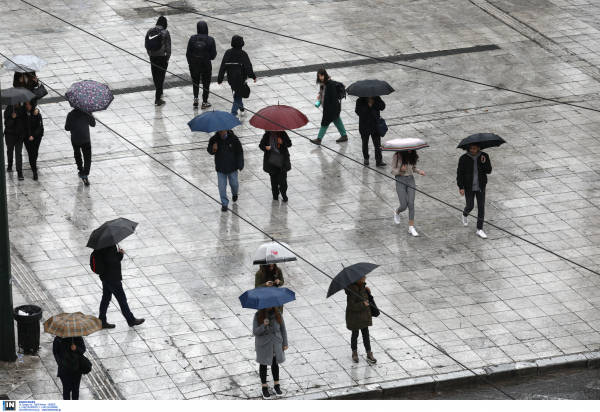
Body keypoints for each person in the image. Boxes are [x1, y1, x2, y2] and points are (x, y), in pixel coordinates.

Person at [97, 245, 145, 328]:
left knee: (105, 298)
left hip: (105, 276)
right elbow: (112, 262)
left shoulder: (102, 246)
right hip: (113, 278)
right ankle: (131, 320)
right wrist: (120, 254)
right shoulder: (110, 246)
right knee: (122, 299)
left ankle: (102, 320)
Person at [457, 143, 492, 239]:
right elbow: (460, 173)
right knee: (470, 205)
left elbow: (489, 171)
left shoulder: (484, 156)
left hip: (480, 187)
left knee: (481, 207)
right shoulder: (463, 158)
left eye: (474, 148)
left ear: (478, 148)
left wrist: (484, 163)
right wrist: (461, 187)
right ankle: (465, 213)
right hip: (469, 187)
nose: (472, 150)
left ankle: (479, 229)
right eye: (471, 148)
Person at [217, 35, 257, 117]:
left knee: (238, 92)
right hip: (240, 79)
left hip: (231, 79)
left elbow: (223, 66)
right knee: (238, 95)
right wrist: (253, 76)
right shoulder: (243, 54)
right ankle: (233, 113)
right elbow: (248, 67)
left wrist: (220, 79)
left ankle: (241, 108)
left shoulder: (228, 53)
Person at [253, 307, 288, 399]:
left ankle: (276, 385)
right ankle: (264, 387)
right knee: (263, 364)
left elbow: (283, 329)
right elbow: (255, 332)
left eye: (271, 305)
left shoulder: (278, 314)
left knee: (275, 363)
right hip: (264, 344)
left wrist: (285, 343)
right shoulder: (258, 315)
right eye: (267, 306)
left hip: (275, 343)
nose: (269, 307)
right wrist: (264, 325)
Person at [206, 129, 244, 211]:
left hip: (232, 167)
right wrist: (213, 148)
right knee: (221, 187)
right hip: (220, 168)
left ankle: (234, 193)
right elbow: (209, 150)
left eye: (222, 130)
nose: (220, 131)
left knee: (234, 184)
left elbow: (239, 152)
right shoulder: (214, 139)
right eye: (219, 130)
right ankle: (224, 203)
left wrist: (240, 165)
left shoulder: (234, 139)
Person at [392, 150, 426, 237]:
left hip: (411, 180)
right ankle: (397, 212)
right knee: (404, 205)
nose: (410, 151)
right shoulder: (397, 155)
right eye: (408, 149)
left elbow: (413, 168)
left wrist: (419, 171)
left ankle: (411, 227)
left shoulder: (412, 155)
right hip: (400, 180)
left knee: (411, 204)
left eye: (411, 149)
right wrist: (400, 170)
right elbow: (392, 171)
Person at [310, 68, 347, 145]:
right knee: (337, 121)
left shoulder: (329, 84)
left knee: (325, 123)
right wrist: (319, 95)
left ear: (325, 75)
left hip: (331, 108)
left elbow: (333, 97)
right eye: (319, 76)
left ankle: (319, 139)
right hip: (330, 107)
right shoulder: (323, 84)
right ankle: (344, 136)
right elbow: (324, 93)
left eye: (322, 75)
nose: (320, 77)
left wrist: (330, 109)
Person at [186, 21, 217, 109]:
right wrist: (207, 58)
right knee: (206, 83)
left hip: (194, 64)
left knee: (195, 81)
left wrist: (190, 63)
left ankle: (196, 99)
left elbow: (188, 53)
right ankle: (204, 102)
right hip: (206, 65)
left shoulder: (192, 38)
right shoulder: (210, 39)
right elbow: (213, 55)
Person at [345, 275, 376, 364]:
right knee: (355, 334)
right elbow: (351, 306)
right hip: (354, 317)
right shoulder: (352, 291)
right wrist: (363, 304)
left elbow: (366, 299)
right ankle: (354, 352)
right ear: (358, 279)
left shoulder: (363, 287)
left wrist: (368, 292)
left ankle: (369, 353)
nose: (365, 277)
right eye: (363, 276)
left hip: (364, 315)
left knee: (366, 334)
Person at [65, 108, 95, 186]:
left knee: (77, 154)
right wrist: (90, 114)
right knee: (87, 157)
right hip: (85, 139)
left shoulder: (70, 114)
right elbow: (93, 124)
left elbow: (67, 128)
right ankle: (85, 173)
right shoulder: (86, 112)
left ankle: (80, 169)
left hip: (75, 139)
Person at [258, 131, 292, 202]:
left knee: (282, 180)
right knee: (273, 180)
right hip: (271, 161)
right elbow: (261, 145)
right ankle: (275, 195)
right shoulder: (267, 135)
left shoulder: (283, 134)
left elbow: (289, 143)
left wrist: (282, 142)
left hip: (282, 161)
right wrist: (265, 147)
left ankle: (284, 194)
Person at [145, 16, 171, 106]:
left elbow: (146, 44)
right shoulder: (166, 33)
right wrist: (167, 57)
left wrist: (150, 54)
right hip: (162, 57)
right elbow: (168, 46)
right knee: (161, 76)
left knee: (155, 75)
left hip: (152, 56)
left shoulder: (150, 31)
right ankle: (158, 98)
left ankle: (159, 91)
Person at [355, 96, 386, 166]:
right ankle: (366, 158)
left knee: (377, 143)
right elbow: (358, 112)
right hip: (364, 126)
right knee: (365, 143)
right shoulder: (360, 100)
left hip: (375, 126)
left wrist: (374, 102)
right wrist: (367, 106)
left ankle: (379, 160)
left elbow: (382, 107)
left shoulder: (376, 98)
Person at [52, 336, 85, 400]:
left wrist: (76, 348)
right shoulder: (58, 339)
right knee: (66, 389)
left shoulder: (78, 337)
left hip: (76, 368)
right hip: (64, 369)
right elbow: (55, 351)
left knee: (75, 389)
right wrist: (60, 363)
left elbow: (83, 349)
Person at [20, 101, 43, 181]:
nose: (27, 106)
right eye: (26, 104)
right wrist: (26, 136)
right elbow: (22, 126)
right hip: (27, 138)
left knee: (35, 152)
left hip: (36, 137)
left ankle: (34, 164)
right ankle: (34, 171)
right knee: (31, 154)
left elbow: (40, 127)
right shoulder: (23, 114)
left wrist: (34, 135)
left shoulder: (37, 114)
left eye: (29, 104)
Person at [4, 103, 24, 180]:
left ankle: (20, 172)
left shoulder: (22, 109)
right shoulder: (8, 110)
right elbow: (7, 124)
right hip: (10, 135)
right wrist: (12, 118)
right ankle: (10, 165)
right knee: (10, 150)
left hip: (19, 135)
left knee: (18, 153)